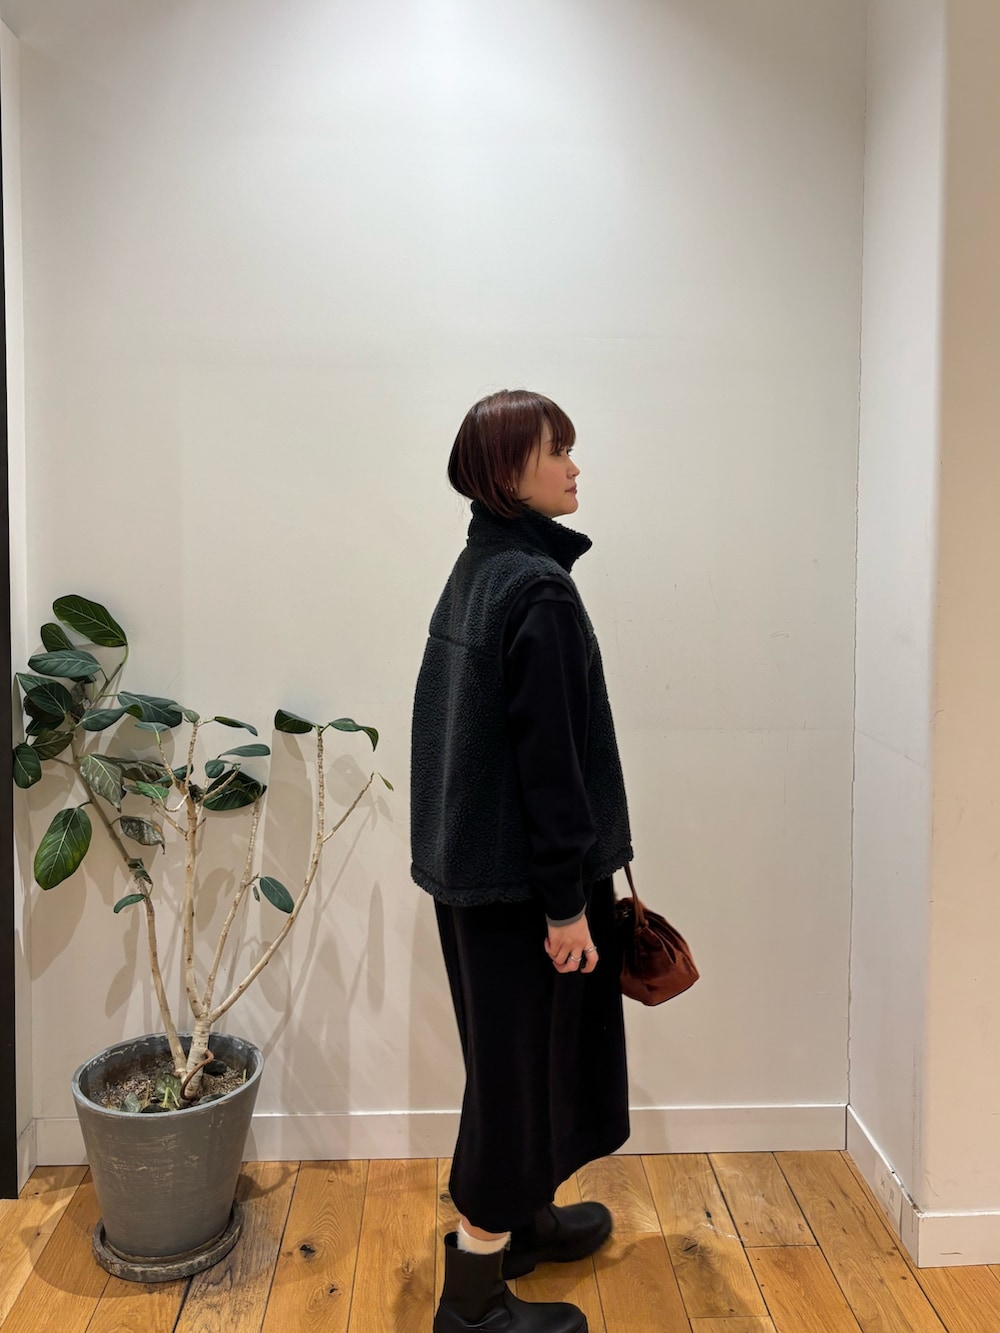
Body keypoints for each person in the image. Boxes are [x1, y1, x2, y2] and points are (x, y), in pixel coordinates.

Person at [411, 389, 633, 1333]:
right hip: (522, 888)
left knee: (525, 1063)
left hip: (477, 877)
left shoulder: (480, 570)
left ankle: (526, 1223)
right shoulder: (534, 589)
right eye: (557, 450)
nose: (575, 466)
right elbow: (549, 766)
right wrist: (565, 903)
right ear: (510, 473)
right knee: (512, 1081)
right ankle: (472, 1299)